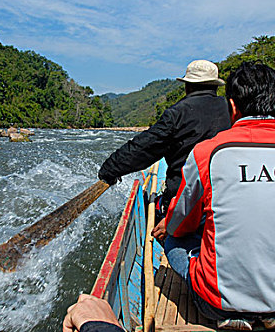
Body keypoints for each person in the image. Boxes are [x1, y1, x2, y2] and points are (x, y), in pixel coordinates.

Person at [164, 62, 275, 330]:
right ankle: (273, 311)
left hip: (219, 302)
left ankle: (234, 313)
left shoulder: (208, 152)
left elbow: (180, 224)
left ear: (233, 107)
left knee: (173, 240)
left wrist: (171, 225)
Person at [98, 60, 231, 240]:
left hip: (185, 201)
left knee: (153, 206)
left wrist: (110, 169)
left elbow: (144, 148)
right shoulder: (231, 110)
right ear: (215, 85)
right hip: (225, 201)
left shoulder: (178, 113)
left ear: (188, 86)